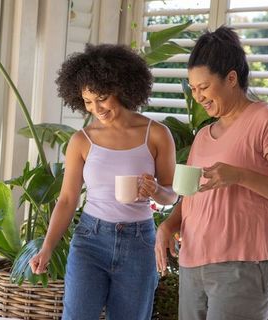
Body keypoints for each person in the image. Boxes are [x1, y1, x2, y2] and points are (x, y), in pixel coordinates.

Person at [155, 26, 268, 320]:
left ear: (231, 78)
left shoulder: (267, 120)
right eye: (193, 88)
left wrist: (239, 176)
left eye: (204, 87)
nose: (198, 96)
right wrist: (168, 225)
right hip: (194, 263)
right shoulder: (203, 135)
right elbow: (192, 198)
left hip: (245, 264)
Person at [29, 44, 177, 320]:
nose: (96, 108)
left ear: (120, 87)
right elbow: (67, 199)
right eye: (87, 101)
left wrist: (155, 189)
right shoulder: (81, 141)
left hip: (138, 243)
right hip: (90, 241)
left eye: (102, 98)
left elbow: (171, 195)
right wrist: (47, 247)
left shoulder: (156, 134)